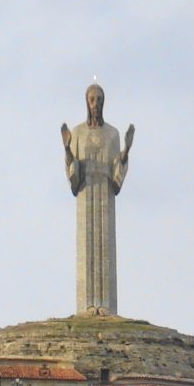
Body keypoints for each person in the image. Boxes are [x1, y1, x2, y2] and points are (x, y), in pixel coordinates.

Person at [61, 83, 134, 316]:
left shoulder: (112, 134)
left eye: (99, 99)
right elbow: (74, 172)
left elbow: (116, 172)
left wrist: (125, 151)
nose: (95, 104)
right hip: (86, 193)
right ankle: (86, 307)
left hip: (105, 194)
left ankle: (105, 307)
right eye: (92, 99)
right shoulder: (78, 133)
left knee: (105, 247)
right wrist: (67, 150)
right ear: (86, 102)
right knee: (87, 247)